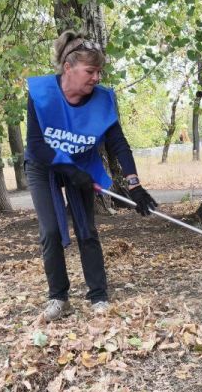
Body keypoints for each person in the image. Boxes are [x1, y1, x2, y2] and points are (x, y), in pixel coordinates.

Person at [25, 31, 158, 321]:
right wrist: (70, 171)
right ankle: (59, 298)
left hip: (82, 162)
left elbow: (118, 145)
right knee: (50, 230)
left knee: (87, 230)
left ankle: (98, 297)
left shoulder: (102, 100)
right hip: (43, 166)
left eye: (99, 71)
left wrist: (135, 187)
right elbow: (36, 145)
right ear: (68, 68)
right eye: (90, 71)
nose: (96, 77)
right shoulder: (41, 94)